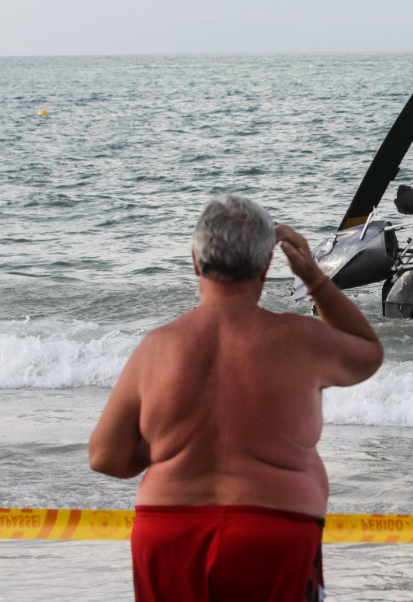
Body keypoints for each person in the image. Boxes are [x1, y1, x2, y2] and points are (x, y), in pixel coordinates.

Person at [89, 194, 383, 602]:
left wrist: (175, 444)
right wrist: (314, 278)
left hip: (169, 532)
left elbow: (105, 456)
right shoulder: (299, 339)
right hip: (274, 531)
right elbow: (368, 353)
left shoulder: (157, 348)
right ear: (266, 265)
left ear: (195, 261)